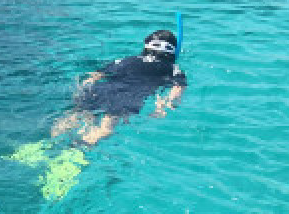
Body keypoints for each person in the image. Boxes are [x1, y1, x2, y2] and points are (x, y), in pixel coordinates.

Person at [51, 29, 187, 147]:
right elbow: (178, 89)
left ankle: (52, 140)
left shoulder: (126, 59)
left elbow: (96, 75)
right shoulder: (173, 68)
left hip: (100, 89)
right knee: (105, 129)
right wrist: (163, 107)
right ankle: (75, 149)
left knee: (77, 114)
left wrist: (85, 85)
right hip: (127, 96)